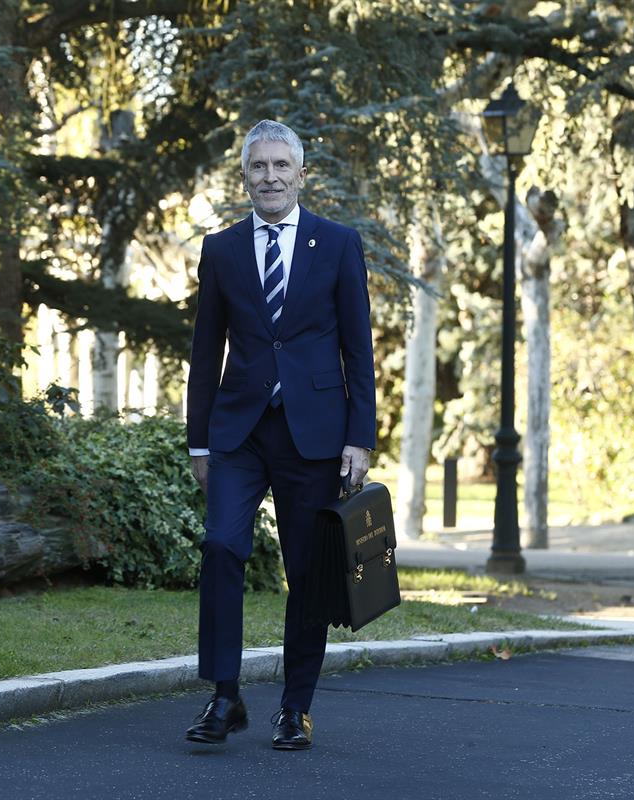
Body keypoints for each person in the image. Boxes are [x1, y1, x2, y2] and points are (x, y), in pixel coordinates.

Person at [184, 119, 377, 750]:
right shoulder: (223, 250)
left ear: (300, 174)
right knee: (220, 548)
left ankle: (296, 708)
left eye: (279, 167)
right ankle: (224, 694)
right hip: (238, 433)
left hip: (314, 437)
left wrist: (361, 436)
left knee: (306, 574)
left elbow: (358, 349)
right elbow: (205, 350)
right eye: (257, 168)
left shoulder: (339, 244)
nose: (269, 177)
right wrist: (198, 441)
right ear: (245, 177)